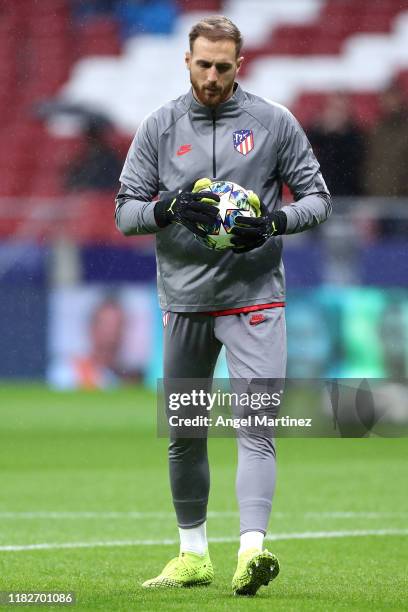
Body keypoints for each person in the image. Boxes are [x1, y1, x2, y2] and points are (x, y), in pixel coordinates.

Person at [115, 15, 331, 596]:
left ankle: (252, 550)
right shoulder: (160, 126)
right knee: (185, 430)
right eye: (203, 64)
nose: (212, 76)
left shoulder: (273, 123)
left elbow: (318, 198)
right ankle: (192, 555)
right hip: (185, 301)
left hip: (254, 299)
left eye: (223, 66)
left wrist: (275, 220)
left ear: (241, 65)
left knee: (255, 426)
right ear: (187, 62)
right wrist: (171, 207)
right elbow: (125, 211)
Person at [307, 92, 365, 196]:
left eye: (340, 110)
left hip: (348, 197)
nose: (335, 114)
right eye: (332, 109)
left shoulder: (356, 138)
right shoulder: (315, 134)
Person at [64, 120, 122, 193]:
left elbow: (111, 182)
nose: (90, 144)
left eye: (93, 139)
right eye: (89, 140)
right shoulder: (85, 159)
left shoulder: (108, 159)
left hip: (103, 196)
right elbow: (72, 181)